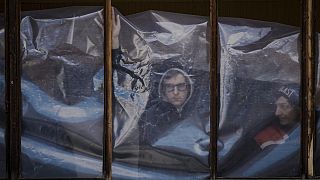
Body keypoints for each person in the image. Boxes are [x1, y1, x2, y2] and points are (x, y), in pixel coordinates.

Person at [138, 62, 194, 145]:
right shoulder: (152, 116)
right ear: (163, 89)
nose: (175, 92)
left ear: (189, 88)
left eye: (181, 86)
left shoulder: (196, 112)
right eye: (169, 86)